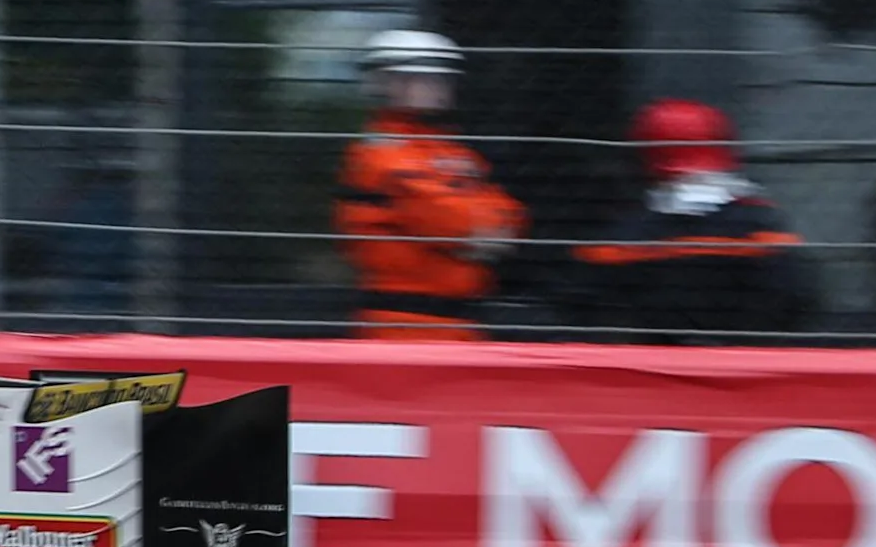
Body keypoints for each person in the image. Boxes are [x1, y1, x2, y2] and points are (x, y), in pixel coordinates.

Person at [336, 29, 527, 339]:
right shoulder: (381, 155)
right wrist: (476, 224)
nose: (437, 88)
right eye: (424, 78)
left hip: (459, 322)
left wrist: (479, 228)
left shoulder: (451, 150)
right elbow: (458, 225)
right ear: (387, 83)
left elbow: (512, 217)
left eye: (443, 79)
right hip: (404, 324)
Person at [572, 99, 814, 341]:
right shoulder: (756, 226)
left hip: (652, 365)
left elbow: (583, 302)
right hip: (745, 362)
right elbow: (797, 294)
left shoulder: (626, 238)